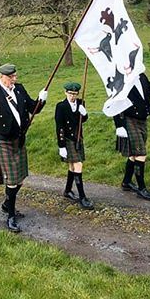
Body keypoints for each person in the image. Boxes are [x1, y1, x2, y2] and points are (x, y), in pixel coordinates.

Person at [0, 63, 48, 233]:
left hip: (19, 140)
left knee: (21, 178)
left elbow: (33, 109)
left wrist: (42, 100)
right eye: (11, 77)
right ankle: (10, 215)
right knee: (11, 180)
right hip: (2, 141)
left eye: (15, 76)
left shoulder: (20, 89)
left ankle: (6, 203)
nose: (14, 79)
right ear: (2, 77)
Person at [113, 73, 150, 201]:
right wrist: (119, 125)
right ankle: (141, 189)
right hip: (129, 119)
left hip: (142, 119)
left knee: (134, 154)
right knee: (140, 153)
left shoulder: (141, 75)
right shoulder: (121, 79)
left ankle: (127, 182)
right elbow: (115, 102)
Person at [55, 82, 93, 210]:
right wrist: (61, 145)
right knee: (78, 165)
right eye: (70, 93)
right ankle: (82, 197)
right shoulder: (60, 106)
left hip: (78, 138)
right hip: (67, 139)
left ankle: (67, 191)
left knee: (72, 166)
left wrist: (85, 113)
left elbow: (83, 119)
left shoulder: (81, 103)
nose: (72, 96)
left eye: (75, 94)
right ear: (65, 92)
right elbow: (59, 127)